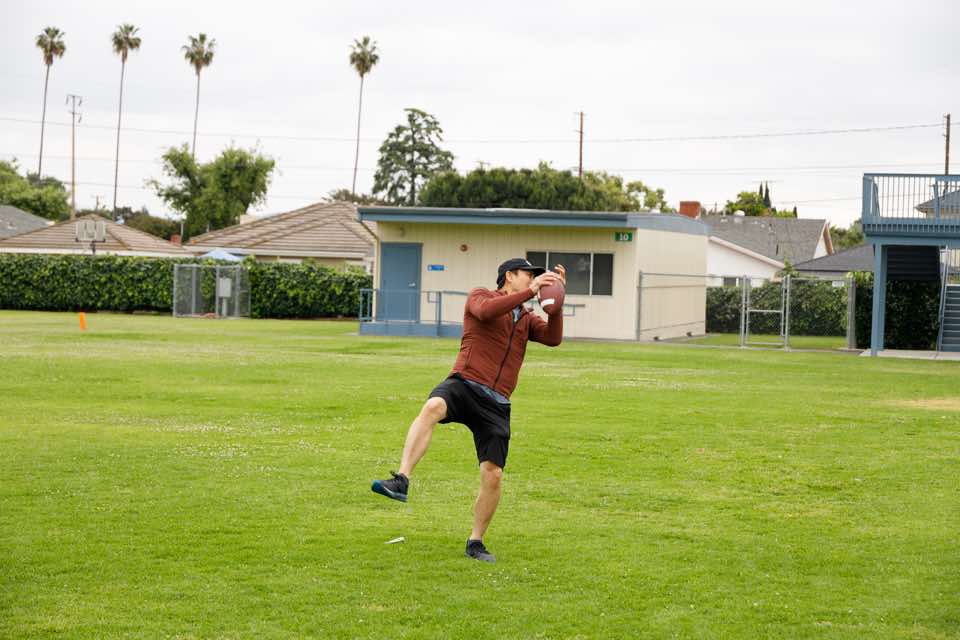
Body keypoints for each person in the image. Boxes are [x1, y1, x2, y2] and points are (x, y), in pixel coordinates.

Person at [371, 257, 566, 563]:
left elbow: (553, 339)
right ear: (509, 276)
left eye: (535, 277)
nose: (533, 280)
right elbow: (487, 312)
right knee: (433, 406)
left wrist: (556, 306)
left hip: (497, 401)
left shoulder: (526, 318)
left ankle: (476, 542)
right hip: (465, 383)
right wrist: (530, 293)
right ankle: (401, 480)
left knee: (493, 474)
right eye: (528, 274)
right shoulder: (480, 296)